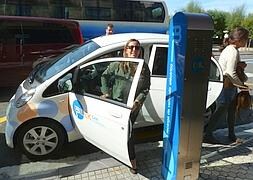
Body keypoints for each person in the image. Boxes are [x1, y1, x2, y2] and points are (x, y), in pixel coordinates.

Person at [100, 39, 151, 174]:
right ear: (125, 50)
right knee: (122, 133)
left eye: (137, 48)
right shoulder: (117, 64)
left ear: (140, 51)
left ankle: (132, 161)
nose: (134, 50)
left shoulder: (143, 67)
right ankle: (121, 153)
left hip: (132, 107)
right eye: (131, 47)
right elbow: (104, 76)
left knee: (127, 134)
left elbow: (145, 88)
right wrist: (105, 93)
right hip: (117, 104)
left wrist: (137, 102)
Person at [204, 27, 249, 144]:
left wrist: (240, 65)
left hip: (229, 85)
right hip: (226, 86)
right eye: (246, 38)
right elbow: (230, 72)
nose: (247, 41)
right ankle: (208, 134)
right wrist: (241, 85)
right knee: (221, 111)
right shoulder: (232, 51)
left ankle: (231, 135)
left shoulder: (230, 49)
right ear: (240, 40)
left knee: (231, 111)